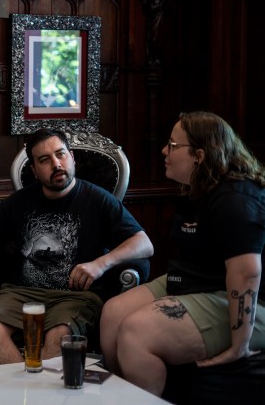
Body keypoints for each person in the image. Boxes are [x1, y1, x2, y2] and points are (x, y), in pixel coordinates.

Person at [0, 128, 154, 362]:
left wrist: (101, 264)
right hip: (22, 293)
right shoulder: (20, 202)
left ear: (72, 157)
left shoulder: (99, 199)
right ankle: (27, 385)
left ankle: (34, 385)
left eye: (61, 154)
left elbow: (144, 243)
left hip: (75, 296)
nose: (56, 164)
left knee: (59, 335)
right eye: (44, 160)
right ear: (35, 170)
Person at [99, 111, 265, 396]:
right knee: (113, 314)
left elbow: (247, 274)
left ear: (199, 155)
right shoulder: (199, 188)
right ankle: (125, 398)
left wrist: (240, 346)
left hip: (245, 298)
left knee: (136, 333)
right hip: (198, 282)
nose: (164, 151)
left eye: (173, 145)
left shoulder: (236, 199)